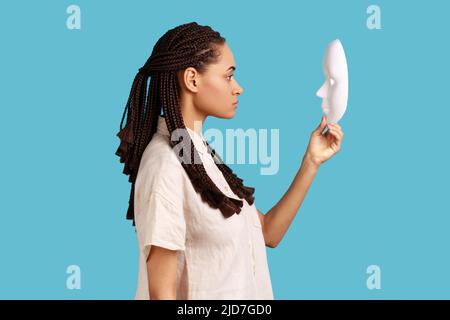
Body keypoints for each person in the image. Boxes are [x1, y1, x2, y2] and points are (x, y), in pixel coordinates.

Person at [115, 21, 344, 300]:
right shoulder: (165, 165)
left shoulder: (199, 156)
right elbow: (161, 295)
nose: (238, 88)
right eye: (228, 76)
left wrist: (311, 161)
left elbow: (269, 233)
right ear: (192, 79)